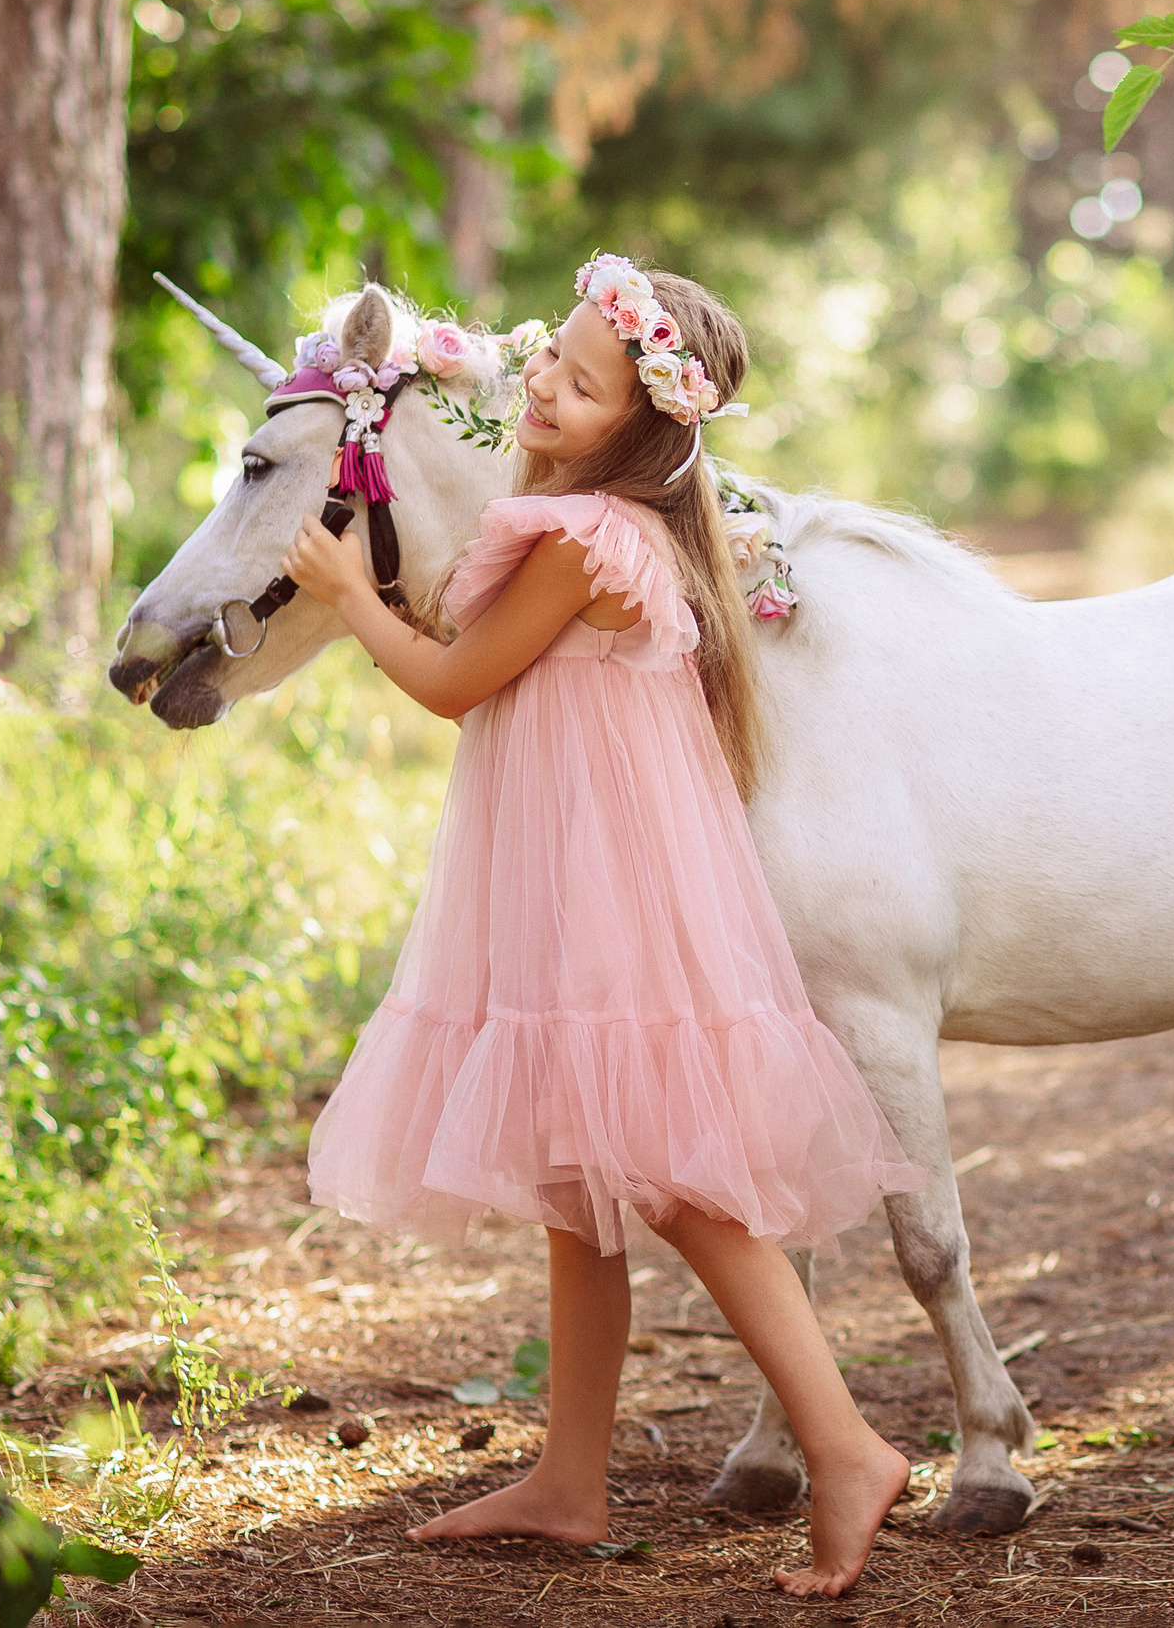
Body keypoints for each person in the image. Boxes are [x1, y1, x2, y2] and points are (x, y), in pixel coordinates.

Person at [284, 256, 924, 1599]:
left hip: (609, 889)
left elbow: (459, 683)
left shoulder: (587, 540)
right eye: (548, 364)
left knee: (678, 1184)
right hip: (574, 871)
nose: (546, 392)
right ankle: (572, 1479)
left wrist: (349, 598)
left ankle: (846, 1444)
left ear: (644, 421)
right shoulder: (588, 517)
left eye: (582, 384)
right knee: (583, 1186)